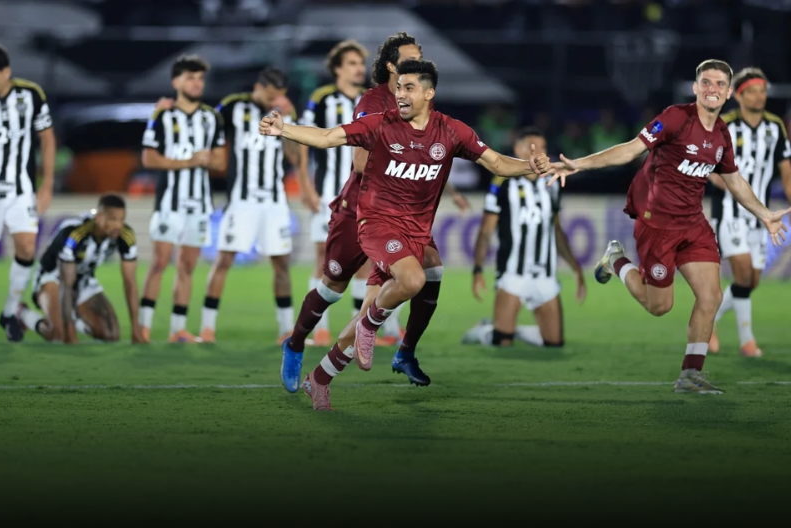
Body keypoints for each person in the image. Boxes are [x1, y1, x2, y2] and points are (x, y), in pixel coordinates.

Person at [261, 59, 551, 410]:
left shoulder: (451, 131)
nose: (400, 94)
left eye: (409, 87)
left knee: (416, 279)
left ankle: (320, 378)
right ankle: (366, 331)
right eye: (398, 87)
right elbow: (326, 137)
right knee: (411, 281)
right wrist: (284, 129)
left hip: (416, 231)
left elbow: (497, 163)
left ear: (429, 93)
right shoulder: (380, 125)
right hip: (377, 224)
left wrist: (528, 167)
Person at [548, 60, 791, 395]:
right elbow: (631, 150)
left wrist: (764, 214)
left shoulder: (721, 133)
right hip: (657, 224)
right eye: (706, 82)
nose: (712, 89)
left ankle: (690, 375)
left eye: (720, 84)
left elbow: (733, 180)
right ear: (695, 87)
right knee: (659, 307)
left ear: (729, 92)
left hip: (693, 223)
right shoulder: (676, 117)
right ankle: (616, 260)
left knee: (712, 295)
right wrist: (580, 164)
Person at [199, 68, 305, 344]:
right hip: (241, 201)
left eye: (279, 96)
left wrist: (288, 122)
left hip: (274, 201)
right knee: (223, 260)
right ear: (259, 88)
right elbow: (208, 123)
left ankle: (286, 330)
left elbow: (294, 157)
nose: (274, 100)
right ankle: (207, 328)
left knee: (281, 264)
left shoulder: (283, 112)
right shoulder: (234, 105)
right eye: (270, 95)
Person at [463, 130, 585, 348]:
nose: (540, 152)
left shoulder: (553, 181)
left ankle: (512, 330)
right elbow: (485, 231)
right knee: (502, 342)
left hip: (545, 275)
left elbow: (556, 229)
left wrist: (575, 268)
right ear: (519, 150)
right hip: (512, 274)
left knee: (554, 344)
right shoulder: (502, 182)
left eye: (544, 147)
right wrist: (478, 269)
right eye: (533, 146)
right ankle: (483, 332)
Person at [138, 54, 226, 343]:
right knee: (160, 263)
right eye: (190, 77)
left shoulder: (211, 118)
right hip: (169, 204)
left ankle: (178, 329)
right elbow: (148, 158)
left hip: (200, 206)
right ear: (176, 82)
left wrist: (209, 160)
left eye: (200, 78)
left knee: (187, 266)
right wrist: (189, 161)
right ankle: (144, 327)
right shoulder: (162, 116)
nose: (197, 83)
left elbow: (221, 162)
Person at [708, 68, 791, 357]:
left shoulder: (775, 127)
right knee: (742, 274)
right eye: (754, 90)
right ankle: (747, 341)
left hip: (761, 215)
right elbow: (706, 162)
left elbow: (786, 173)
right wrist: (717, 179)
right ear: (740, 95)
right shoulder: (723, 125)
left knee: (751, 281)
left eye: (764, 90)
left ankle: (708, 322)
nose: (761, 96)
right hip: (730, 211)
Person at [298, 40, 369, 346]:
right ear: (338, 68)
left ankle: (359, 329)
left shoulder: (371, 99)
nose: (359, 68)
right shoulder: (322, 98)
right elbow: (303, 139)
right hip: (329, 191)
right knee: (322, 258)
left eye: (361, 63)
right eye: (352, 63)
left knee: (366, 260)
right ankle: (320, 327)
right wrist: (304, 183)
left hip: (364, 194)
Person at [0, 43, 56, 342]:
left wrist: (47, 184)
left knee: (27, 249)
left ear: (7, 72)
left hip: (21, 189)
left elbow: (47, 139)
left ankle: (9, 312)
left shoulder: (30, 95)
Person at [17, 194, 143, 343]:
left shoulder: (125, 236)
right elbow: (66, 282)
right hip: (53, 277)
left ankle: (73, 317)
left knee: (110, 335)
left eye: (122, 219)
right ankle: (23, 314)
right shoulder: (75, 232)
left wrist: (136, 330)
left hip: (83, 279)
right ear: (99, 217)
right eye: (113, 219)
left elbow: (130, 282)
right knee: (59, 336)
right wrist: (69, 332)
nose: (118, 225)